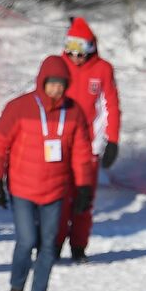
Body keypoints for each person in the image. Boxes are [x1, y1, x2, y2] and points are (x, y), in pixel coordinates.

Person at [0, 55, 95, 291]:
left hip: (56, 191)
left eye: (61, 84)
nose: (56, 89)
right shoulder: (20, 108)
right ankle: (16, 289)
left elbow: (82, 154)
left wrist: (84, 188)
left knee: (48, 244)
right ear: (42, 82)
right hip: (23, 188)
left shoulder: (74, 112)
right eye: (52, 83)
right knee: (26, 241)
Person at [55, 17, 120, 264]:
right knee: (58, 197)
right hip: (59, 145)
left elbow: (110, 105)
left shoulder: (102, 69)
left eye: (82, 50)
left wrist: (111, 140)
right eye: (71, 48)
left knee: (83, 198)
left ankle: (79, 246)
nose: (76, 56)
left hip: (88, 146)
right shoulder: (58, 66)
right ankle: (54, 243)